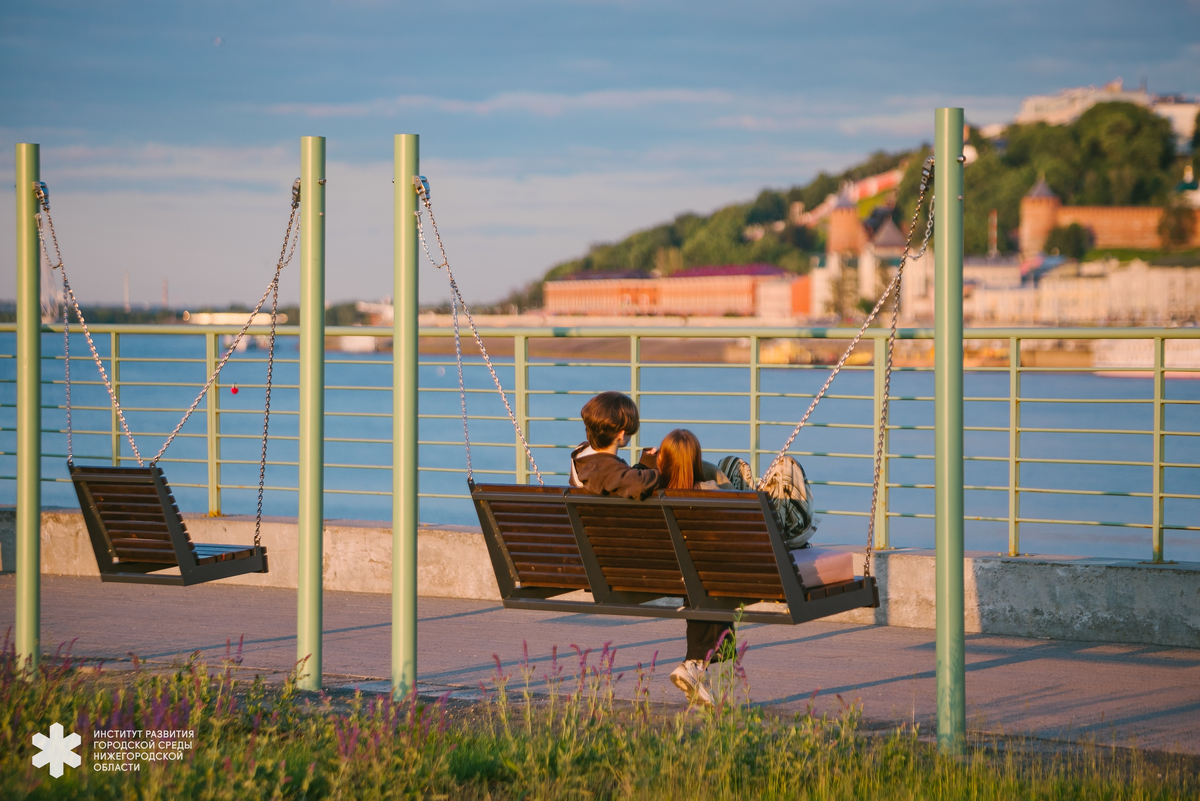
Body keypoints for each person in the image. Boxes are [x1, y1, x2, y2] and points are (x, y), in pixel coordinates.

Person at [656, 428, 818, 707]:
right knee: (787, 467)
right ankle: (694, 665)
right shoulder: (712, 494)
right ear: (696, 462)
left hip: (674, 570)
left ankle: (695, 666)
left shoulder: (651, 491)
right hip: (730, 567)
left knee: (732, 465)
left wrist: (654, 467)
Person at [568, 391, 661, 499]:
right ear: (621, 434)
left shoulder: (580, 451)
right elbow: (639, 484)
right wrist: (665, 472)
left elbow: (622, 478)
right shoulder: (603, 469)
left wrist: (647, 463)